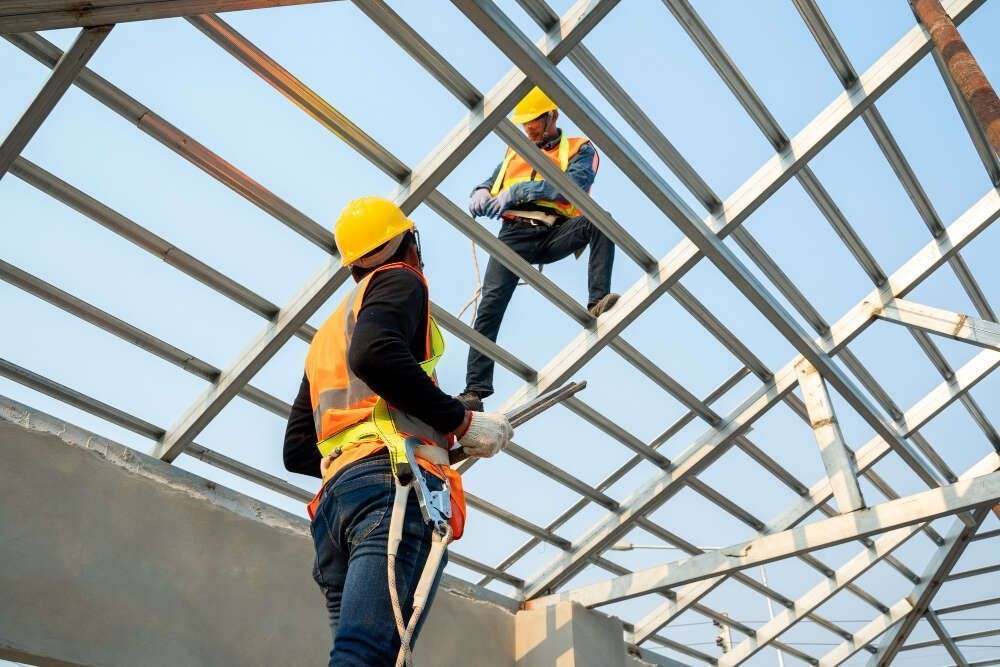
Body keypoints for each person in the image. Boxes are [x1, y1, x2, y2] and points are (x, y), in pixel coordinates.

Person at [283, 196, 514, 666]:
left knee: (370, 657)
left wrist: (430, 441)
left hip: (335, 508)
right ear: (407, 241)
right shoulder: (400, 279)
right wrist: (460, 422)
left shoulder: (329, 332)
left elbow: (297, 449)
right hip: (389, 491)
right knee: (367, 657)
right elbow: (375, 356)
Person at [459, 87, 619, 411]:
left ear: (552, 117)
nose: (528, 129)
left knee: (602, 220)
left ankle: (597, 299)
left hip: (553, 231)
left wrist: (517, 192)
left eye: (534, 123)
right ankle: (474, 391)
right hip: (514, 235)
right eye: (525, 124)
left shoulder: (578, 149)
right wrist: (481, 191)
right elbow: (493, 181)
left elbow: (570, 186)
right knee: (490, 305)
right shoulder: (515, 150)